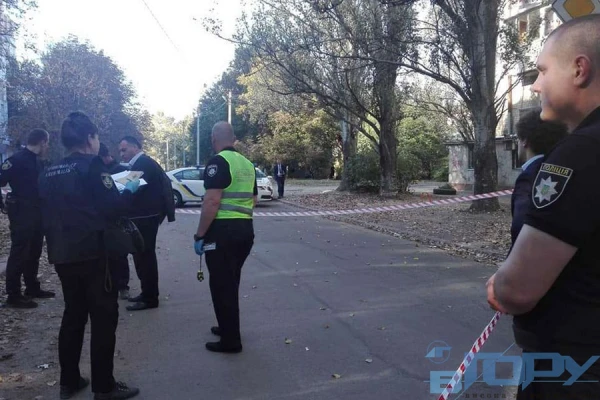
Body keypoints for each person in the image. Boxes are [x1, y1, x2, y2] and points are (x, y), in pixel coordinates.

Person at [487, 14, 600, 399]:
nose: (535, 85)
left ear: (579, 70)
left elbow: (517, 290)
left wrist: (500, 284)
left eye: (542, 71)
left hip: (573, 369)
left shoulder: (580, 153)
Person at [39, 111, 139, 399]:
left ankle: (69, 380)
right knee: (104, 317)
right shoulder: (93, 167)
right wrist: (128, 190)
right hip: (94, 254)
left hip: (62, 253)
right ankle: (104, 387)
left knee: (73, 315)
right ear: (89, 138)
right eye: (96, 137)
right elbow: (113, 208)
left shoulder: (48, 171)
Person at [194, 121, 257, 353]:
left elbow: (212, 201)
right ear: (234, 139)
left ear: (213, 139)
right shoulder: (247, 164)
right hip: (245, 230)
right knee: (230, 281)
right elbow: (254, 199)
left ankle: (231, 341)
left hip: (222, 232)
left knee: (221, 285)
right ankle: (226, 327)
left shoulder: (218, 162)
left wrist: (200, 234)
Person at [118, 136, 175, 311]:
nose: (121, 154)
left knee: (145, 257)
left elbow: (129, 188)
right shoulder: (143, 163)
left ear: (135, 147)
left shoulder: (142, 163)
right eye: (120, 151)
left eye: (124, 150)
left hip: (145, 218)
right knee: (142, 256)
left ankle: (150, 297)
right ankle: (146, 293)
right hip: (146, 217)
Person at [0, 129, 54, 308]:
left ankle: (32, 288)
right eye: (47, 143)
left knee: (34, 251)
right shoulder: (16, 160)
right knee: (20, 252)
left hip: (37, 211)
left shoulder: (38, 161)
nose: (48, 147)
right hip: (21, 212)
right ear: (42, 141)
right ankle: (13, 295)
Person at [509, 108, 567, 251]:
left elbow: (521, 229)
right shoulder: (564, 172)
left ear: (524, 141)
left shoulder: (529, 177)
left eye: (518, 139)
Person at [99, 143, 131, 300]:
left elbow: (127, 195)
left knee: (119, 254)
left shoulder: (120, 170)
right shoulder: (98, 170)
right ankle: (108, 284)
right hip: (102, 218)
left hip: (117, 218)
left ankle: (123, 286)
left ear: (104, 157)